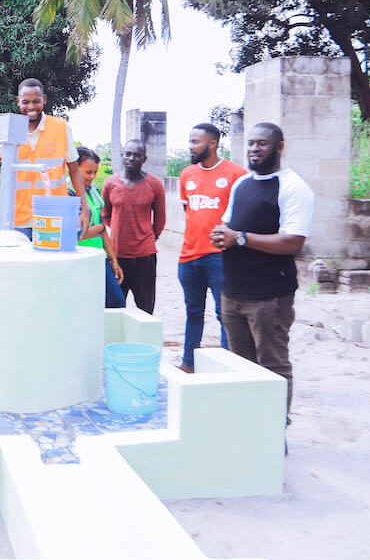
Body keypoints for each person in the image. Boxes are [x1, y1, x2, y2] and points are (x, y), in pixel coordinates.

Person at [211, 122, 314, 420]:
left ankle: (273, 432)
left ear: (279, 147)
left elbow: (293, 242)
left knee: (273, 366)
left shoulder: (293, 187)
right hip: (232, 293)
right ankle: (249, 426)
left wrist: (239, 238)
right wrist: (222, 235)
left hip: (269, 298)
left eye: (263, 144)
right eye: (251, 143)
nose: (255, 149)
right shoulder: (242, 184)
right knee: (240, 363)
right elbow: (229, 225)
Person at [0, 78, 90, 237]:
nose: (31, 107)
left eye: (36, 101)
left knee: (51, 261)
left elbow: (74, 170)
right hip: (18, 220)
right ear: (18, 101)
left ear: (44, 100)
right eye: (26, 102)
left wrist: (84, 208)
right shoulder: (9, 127)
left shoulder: (60, 127)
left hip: (53, 217)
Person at [177, 123, 247, 373]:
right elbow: (190, 212)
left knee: (225, 314)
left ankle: (226, 367)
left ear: (213, 144)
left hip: (220, 258)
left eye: (196, 141)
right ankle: (189, 363)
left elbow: (240, 217)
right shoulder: (187, 174)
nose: (191, 146)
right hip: (188, 257)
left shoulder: (236, 175)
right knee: (193, 312)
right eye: (190, 140)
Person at [101, 139, 166, 314]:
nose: (131, 158)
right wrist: (118, 230)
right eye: (127, 154)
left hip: (144, 257)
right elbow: (105, 214)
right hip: (116, 255)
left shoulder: (155, 184)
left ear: (144, 159)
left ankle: (143, 341)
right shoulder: (110, 183)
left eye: (136, 155)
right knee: (114, 307)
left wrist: (149, 237)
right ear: (122, 157)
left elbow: (160, 219)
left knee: (145, 308)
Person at [72, 147, 125, 308]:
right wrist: (101, 228)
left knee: (116, 303)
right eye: (88, 172)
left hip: (99, 257)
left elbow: (101, 228)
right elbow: (79, 234)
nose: (93, 176)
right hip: (79, 260)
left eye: (95, 172)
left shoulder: (93, 189)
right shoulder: (67, 192)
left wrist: (113, 259)